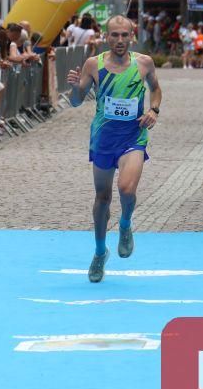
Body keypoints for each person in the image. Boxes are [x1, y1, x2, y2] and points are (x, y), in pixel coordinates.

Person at [66, 15, 162, 283]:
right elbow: (76, 102)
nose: (120, 40)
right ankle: (100, 252)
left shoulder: (144, 63)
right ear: (106, 37)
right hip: (103, 139)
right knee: (103, 198)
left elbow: (156, 90)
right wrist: (74, 88)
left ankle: (125, 224)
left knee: (127, 189)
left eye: (124, 35)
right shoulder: (93, 64)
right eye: (114, 35)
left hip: (133, 136)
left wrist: (153, 110)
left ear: (132, 36)